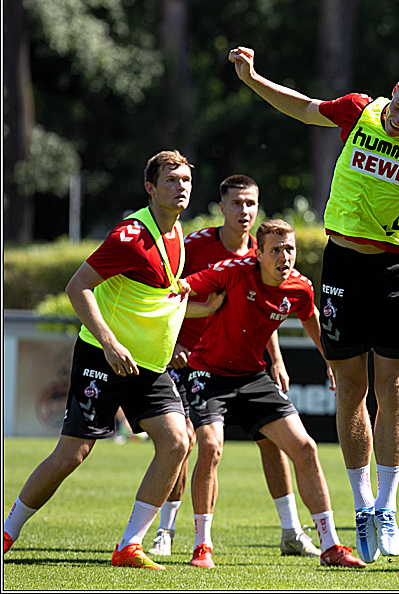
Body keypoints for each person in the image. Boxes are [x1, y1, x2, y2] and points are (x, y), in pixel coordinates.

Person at [228, 46, 399, 564]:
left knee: (392, 388)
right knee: (349, 389)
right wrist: (254, 78)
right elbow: (304, 107)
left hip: (394, 272)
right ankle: (363, 504)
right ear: (393, 89)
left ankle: (389, 505)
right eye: (398, 108)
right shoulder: (360, 109)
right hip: (343, 266)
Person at [3, 151, 205, 569]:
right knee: (72, 454)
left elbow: (153, 292)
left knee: (178, 442)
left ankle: (129, 545)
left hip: (149, 367)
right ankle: (7, 532)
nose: (181, 186)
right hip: (103, 357)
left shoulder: (178, 232)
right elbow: (78, 287)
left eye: (185, 179)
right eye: (171, 180)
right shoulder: (131, 235)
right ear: (150, 188)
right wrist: (110, 344)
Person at [179, 219, 365, 569]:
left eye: (290, 249)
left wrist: (331, 362)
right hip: (207, 373)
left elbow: (311, 319)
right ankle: (202, 546)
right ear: (258, 253)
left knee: (306, 448)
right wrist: (203, 309)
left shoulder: (300, 287)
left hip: (252, 376)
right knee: (211, 447)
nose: (285, 257)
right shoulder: (233, 270)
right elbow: (177, 291)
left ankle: (330, 546)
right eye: (276, 250)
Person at [151, 174, 319, 559]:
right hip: (187, 357)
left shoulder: (265, 252)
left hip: (245, 364)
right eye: (237, 204)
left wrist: (275, 359)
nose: (244, 211)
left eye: (251, 204)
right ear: (222, 207)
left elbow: (262, 312)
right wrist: (172, 340)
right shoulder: (194, 245)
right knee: (188, 442)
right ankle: (167, 529)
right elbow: (169, 292)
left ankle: (292, 532)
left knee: (274, 443)